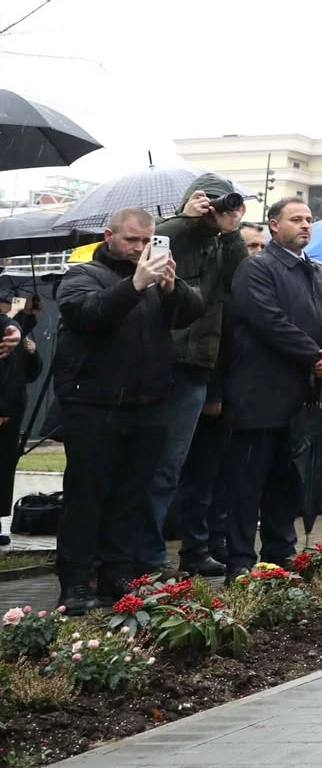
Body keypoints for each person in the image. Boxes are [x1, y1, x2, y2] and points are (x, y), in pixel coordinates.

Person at [52, 208, 197, 611]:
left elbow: (192, 311)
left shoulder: (153, 277)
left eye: (145, 240)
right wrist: (134, 285)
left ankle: (118, 573)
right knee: (86, 496)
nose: (138, 248)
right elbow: (89, 314)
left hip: (147, 404)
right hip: (93, 404)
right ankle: (75, 580)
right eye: (131, 240)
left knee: (130, 496)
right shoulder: (82, 274)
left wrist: (172, 288)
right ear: (109, 235)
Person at [222, 198, 322, 579]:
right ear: (274, 225)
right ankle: (240, 563)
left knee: (286, 482)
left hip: (303, 399)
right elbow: (268, 321)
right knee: (247, 485)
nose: (306, 225)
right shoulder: (256, 268)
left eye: (309, 219)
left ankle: (280, 554)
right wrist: (314, 354)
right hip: (259, 396)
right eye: (296, 219)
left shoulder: (321, 272)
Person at [143, 179, 246, 575]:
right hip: (159, 362)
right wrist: (184, 220)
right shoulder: (172, 231)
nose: (214, 208)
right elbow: (150, 253)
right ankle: (146, 557)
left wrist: (231, 229)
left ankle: (181, 552)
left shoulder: (224, 243)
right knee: (153, 465)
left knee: (179, 469)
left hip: (199, 366)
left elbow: (240, 283)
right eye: (209, 200)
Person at [0, 300, 40, 546]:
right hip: (4, 407)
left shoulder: (19, 334)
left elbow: (31, 373)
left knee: (4, 467)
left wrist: (31, 351)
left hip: (13, 410)